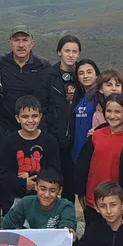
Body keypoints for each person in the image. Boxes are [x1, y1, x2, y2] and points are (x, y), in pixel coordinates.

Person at [73, 94, 123, 230]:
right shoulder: (96, 135)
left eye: (117, 111)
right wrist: (81, 192)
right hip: (93, 199)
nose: (112, 116)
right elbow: (83, 165)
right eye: (109, 111)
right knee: (94, 235)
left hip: (116, 202)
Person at [0, 95, 61, 212]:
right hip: (17, 200)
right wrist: (23, 183)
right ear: (17, 118)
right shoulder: (10, 142)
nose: (30, 120)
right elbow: (3, 173)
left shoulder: (50, 141)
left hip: (44, 198)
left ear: (40, 117)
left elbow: (55, 171)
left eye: (34, 116)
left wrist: (35, 180)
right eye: (25, 117)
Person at [42, 35, 82, 196]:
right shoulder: (47, 76)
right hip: (53, 139)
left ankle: (68, 220)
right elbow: (42, 108)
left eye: (74, 51)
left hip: (77, 140)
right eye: (67, 50)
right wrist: (47, 135)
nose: (70, 55)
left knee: (71, 188)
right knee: (50, 184)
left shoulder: (83, 76)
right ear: (59, 52)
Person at [0, 26, 50, 138]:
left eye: (25, 40)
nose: (20, 45)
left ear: (32, 43)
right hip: (5, 127)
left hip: (33, 127)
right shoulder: (0, 63)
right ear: (10, 43)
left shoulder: (43, 65)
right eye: (16, 40)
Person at [2, 169, 77, 233]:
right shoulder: (26, 202)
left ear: (60, 191)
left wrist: (68, 230)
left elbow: (68, 223)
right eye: (43, 189)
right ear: (36, 187)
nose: (47, 195)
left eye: (52, 190)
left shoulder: (65, 206)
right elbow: (7, 224)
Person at [71, 59, 102, 164]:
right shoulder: (80, 98)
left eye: (89, 72)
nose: (85, 76)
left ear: (97, 75)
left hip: (94, 151)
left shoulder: (102, 96)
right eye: (81, 73)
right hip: (78, 151)